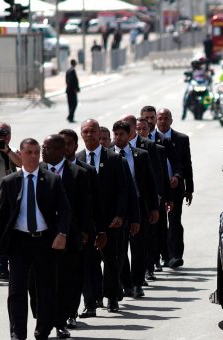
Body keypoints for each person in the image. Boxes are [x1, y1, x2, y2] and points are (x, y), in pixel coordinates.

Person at [0, 138, 71, 340]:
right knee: (16, 292)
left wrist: (62, 233)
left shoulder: (52, 180)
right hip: (19, 243)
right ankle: (17, 334)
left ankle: (43, 331)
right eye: (28, 152)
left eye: (36, 152)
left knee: (46, 291)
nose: (33, 156)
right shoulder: (10, 182)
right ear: (20, 154)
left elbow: (65, 210)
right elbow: (1, 216)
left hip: (45, 242)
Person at [39, 134, 91, 339]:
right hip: (41, 238)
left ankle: (60, 321)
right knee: (39, 284)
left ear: (62, 151)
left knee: (65, 282)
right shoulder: (37, 171)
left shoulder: (79, 173)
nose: (44, 151)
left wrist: (86, 232)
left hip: (69, 236)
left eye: (48, 148)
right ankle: (43, 318)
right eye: (43, 147)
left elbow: (86, 206)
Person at [77, 119, 128, 313]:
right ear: (82, 134)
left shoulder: (113, 159)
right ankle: (91, 301)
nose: (89, 135)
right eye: (86, 132)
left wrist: (119, 215)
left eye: (93, 131)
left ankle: (112, 297)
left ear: (100, 134)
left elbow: (122, 190)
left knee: (111, 260)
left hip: (110, 220)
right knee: (88, 263)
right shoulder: (78, 159)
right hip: (87, 222)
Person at [58, 128, 104, 326]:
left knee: (81, 272)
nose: (65, 148)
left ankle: (82, 307)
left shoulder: (86, 171)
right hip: (56, 233)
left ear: (76, 146)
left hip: (82, 233)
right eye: (62, 144)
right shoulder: (47, 170)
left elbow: (95, 204)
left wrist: (98, 230)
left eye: (68, 144)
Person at [111, 120, 158, 299]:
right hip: (118, 209)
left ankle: (137, 283)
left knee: (138, 246)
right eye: (115, 134)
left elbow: (150, 182)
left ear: (130, 134)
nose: (118, 138)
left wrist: (154, 207)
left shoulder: (141, 155)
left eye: (121, 134)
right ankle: (125, 283)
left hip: (138, 205)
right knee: (120, 249)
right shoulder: (109, 156)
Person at [141, 106, 181, 270]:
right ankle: (149, 262)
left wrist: (176, 178)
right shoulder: (130, 146)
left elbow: (172, 166)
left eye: (152, 118)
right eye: (147, 119)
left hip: (160, 192)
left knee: (161, 227)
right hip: (141, 194)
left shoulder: (162, 142)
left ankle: (166, 257)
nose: (150, 122)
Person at [156, 109, 193, 269]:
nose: (163, 121)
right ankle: (163, 255)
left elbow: (186, 164)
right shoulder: (151, 139)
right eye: (160, 118)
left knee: (175, 221)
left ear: (171, 120)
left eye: (166, 118)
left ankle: (176, 255)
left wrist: (189, 188)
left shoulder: (181, 139)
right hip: (158, 189)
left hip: (176, 187)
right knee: (160, 224)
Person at [0, 123, 21, 281]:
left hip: (7, 201)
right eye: (1, 133)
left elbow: (21, 164)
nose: (4, 135)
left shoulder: (10, 151)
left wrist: (7, 150)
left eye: (7, 133)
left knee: (6, 233)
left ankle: (4, 267)